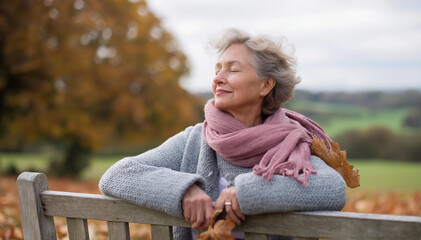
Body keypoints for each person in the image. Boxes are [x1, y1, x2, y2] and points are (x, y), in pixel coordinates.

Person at [99, 29, 347, 240]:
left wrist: (247, 192)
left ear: (266, 85)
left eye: (232, 70)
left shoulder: (291, 142)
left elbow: (333, 187)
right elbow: (116, 175)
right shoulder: (195, 140)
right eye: (218, 69)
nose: (218, 78)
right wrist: (184, 189)